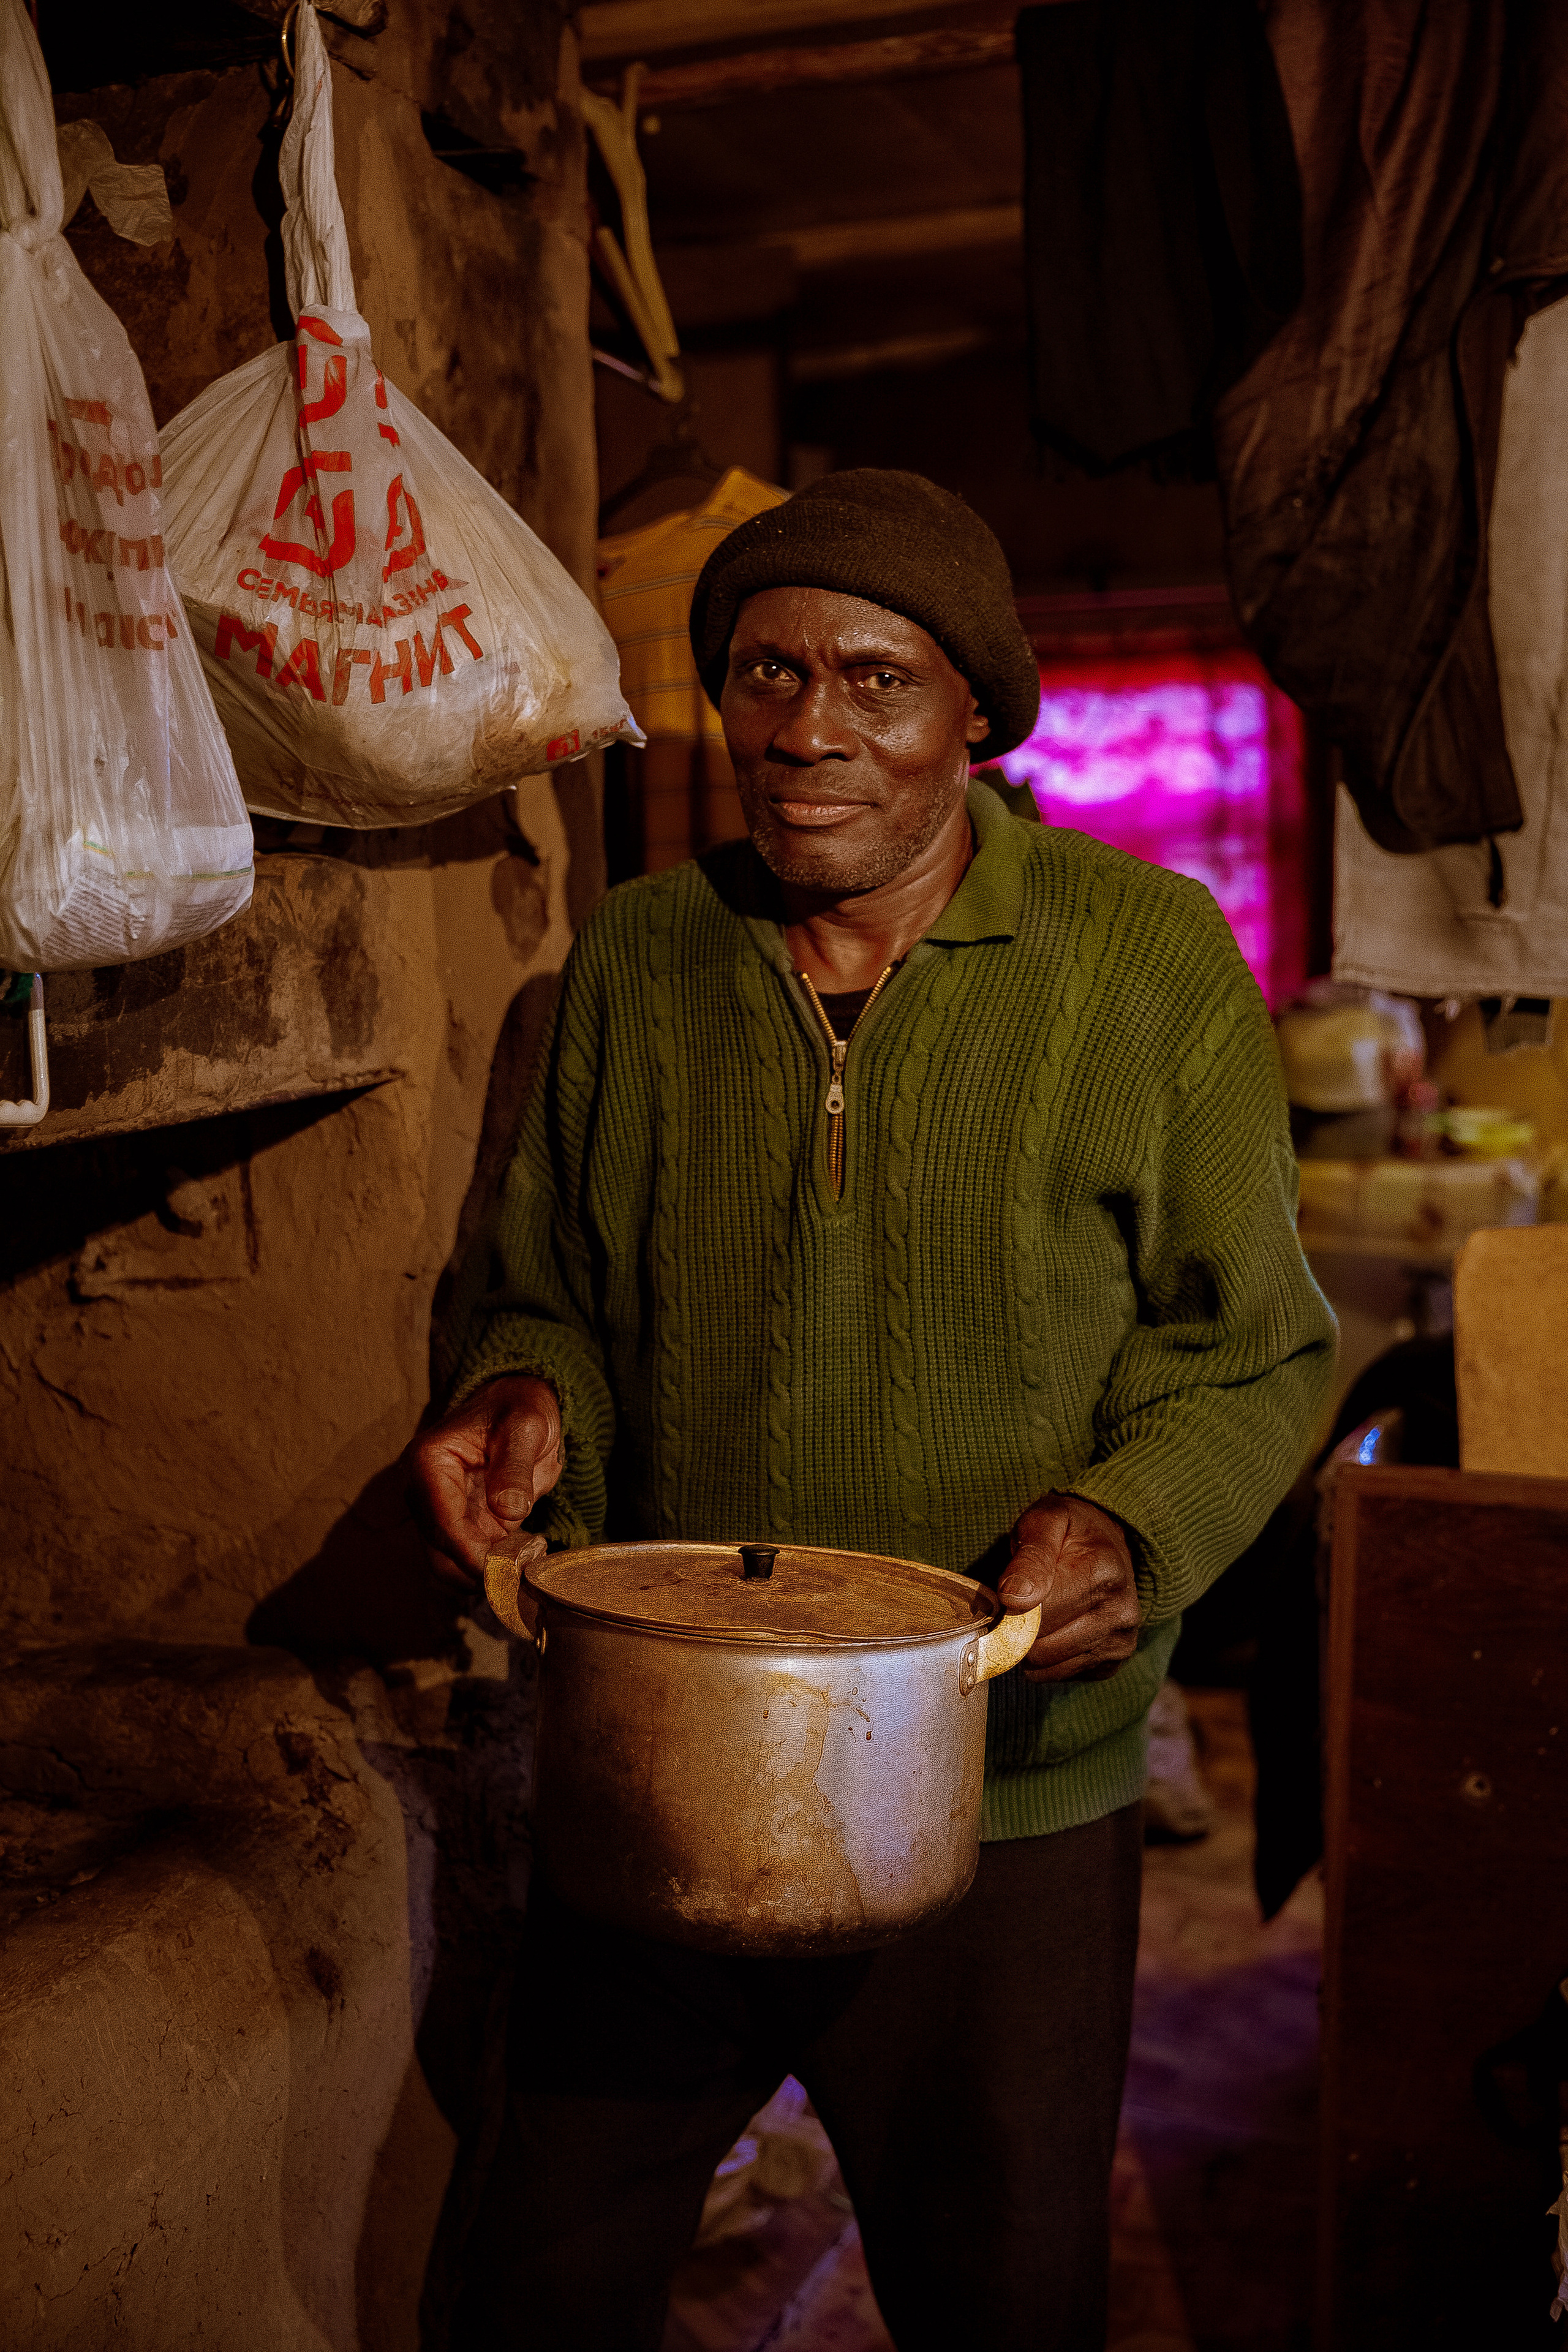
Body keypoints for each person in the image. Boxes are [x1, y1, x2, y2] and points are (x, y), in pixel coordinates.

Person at [409, 469, 1336, 2351]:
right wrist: (523, 1398)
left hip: (999, 1793)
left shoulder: (1144, 964)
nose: (806, 729)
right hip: (664, 1759)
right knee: (535, 2279)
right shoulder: (645, 959)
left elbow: (1254, 1352)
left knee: (999, 2294)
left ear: (975, 719)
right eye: (764, 676)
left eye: (871, 681)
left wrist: (1133, 1527)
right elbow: (556, 1296)